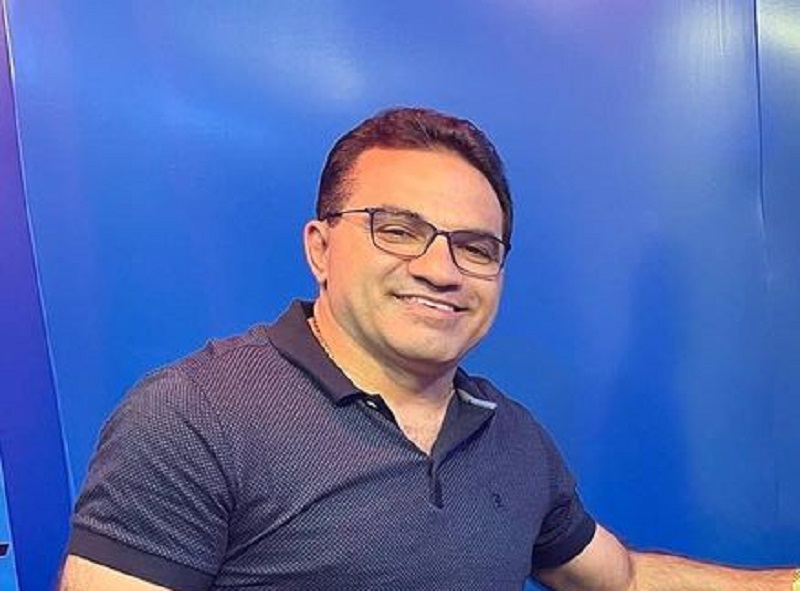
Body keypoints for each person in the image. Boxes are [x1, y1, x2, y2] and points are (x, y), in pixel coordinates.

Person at [59, 107, 796, 591]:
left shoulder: (512, 438)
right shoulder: (196, 416)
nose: (441, 269)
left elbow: (624, 578)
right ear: (321, 248)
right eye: (398, 230)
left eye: (475, 247)